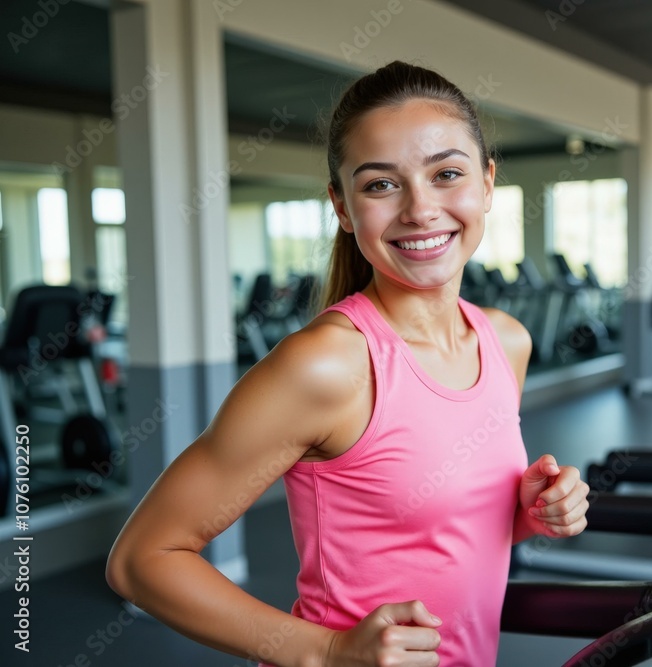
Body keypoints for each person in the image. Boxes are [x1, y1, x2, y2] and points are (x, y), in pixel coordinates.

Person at [106, 60, 590, 667]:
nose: (420, 209)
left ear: (487, 182)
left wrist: (531, 511)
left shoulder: (505, 342)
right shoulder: (326, 366)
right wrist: (328, 651)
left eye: (447, 174)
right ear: (341, 205)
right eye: (381, 184)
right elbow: (141, 559)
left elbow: (450, 538)